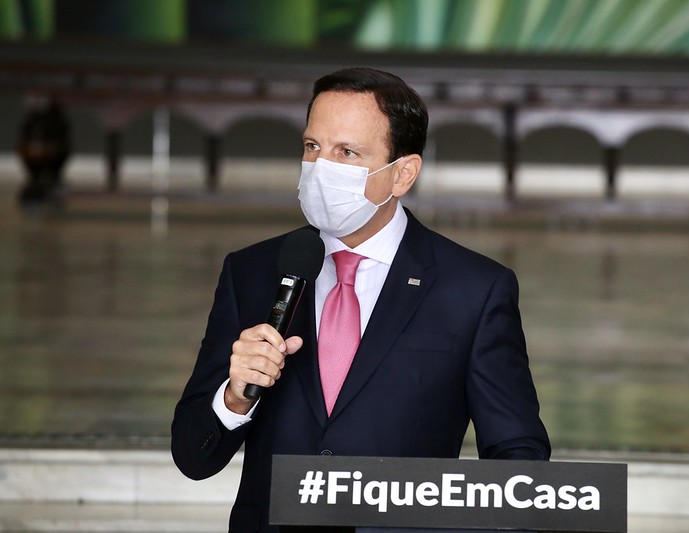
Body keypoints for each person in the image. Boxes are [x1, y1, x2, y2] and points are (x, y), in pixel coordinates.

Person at [171, 67, 550, 532]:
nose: (321, 167)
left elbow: (518, 458)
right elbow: (192, 456)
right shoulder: (251, 272)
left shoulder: (473, 289)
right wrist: (234, 398)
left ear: (402, 174)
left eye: (347, 152)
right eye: (313, 147)